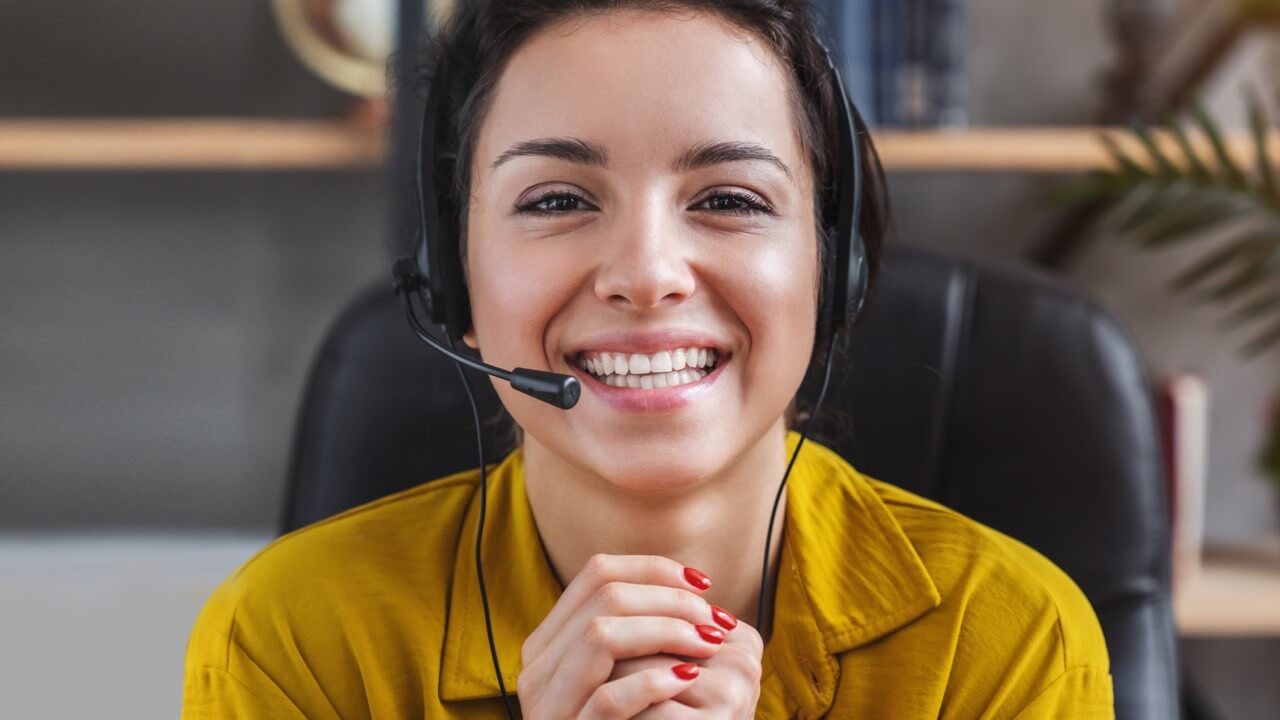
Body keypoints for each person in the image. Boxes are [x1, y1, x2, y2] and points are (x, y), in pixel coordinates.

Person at [181, 0, 1115, 717]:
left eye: (730, 198)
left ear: (834, 272)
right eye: (555, 201)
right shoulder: (294, 643)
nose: (646, 274)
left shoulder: (1005, 640)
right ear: (454, 282)